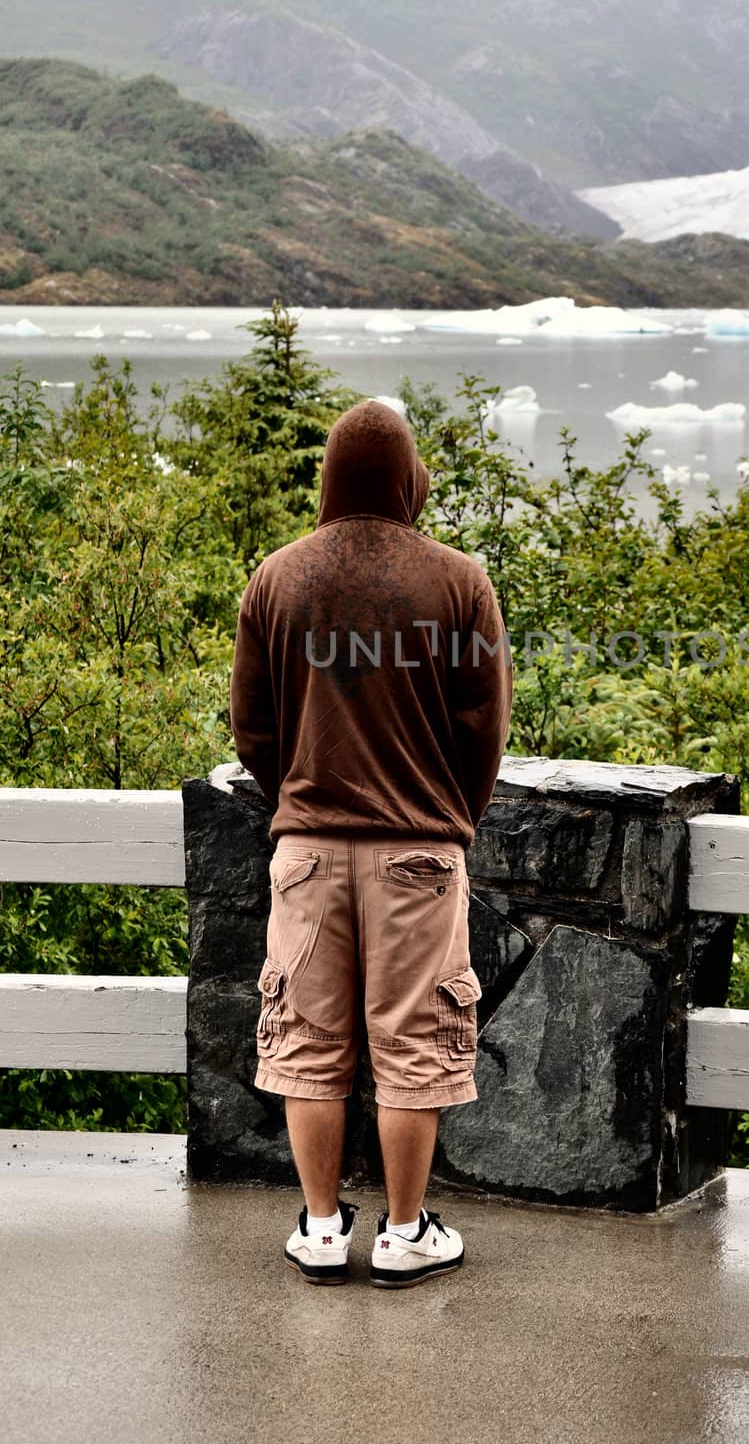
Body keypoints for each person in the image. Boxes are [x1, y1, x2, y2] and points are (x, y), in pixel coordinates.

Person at [229, 398, 512, 1288]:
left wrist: (300, 805)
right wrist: (447, 816)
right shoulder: (458, 580)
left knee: (307, 1043)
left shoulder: (277, 577)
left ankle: (319, 1229)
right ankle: (402, 1233)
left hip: (307, 850)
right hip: (418, 856)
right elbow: (484, 726)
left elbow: (253, 725)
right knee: (411, 1045)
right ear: (404, 476)